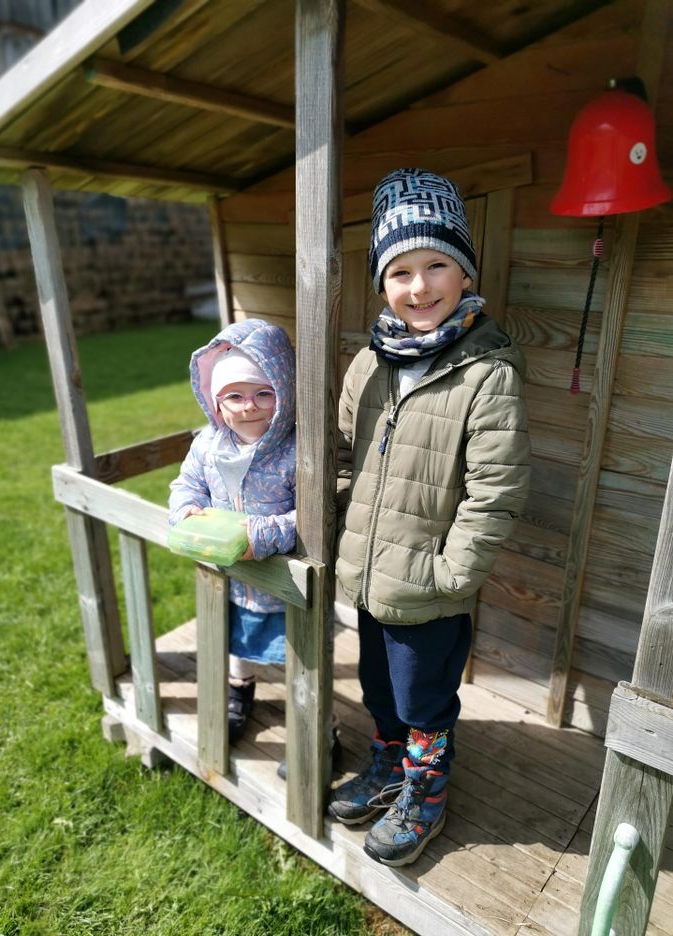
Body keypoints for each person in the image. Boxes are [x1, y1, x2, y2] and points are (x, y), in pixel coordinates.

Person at [328, 168, 531, 867]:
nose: (419, 287)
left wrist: (454, 574)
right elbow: (345, 454)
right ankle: (388, 765)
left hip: (432, 588)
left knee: (424, 698)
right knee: (378, 686)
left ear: (465, 271)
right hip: (369, 577)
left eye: (436, 264)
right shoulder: (369, 365)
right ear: (382, 284)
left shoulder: (486, 372)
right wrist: (344, 527)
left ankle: (425, 786)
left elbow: (496, 488)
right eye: (401, 271)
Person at [169, 318, 296, 742]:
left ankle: (318, 724)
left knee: (301, 660)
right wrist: (187, 508)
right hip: (231, 576)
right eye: (235, 396)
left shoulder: (299, 451)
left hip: (286, 583)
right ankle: (239, 693)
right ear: (216, 402)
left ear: (284, 391)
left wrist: (262, 535)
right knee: (238, 643)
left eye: (264, 393)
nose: (249, 406)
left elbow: (315, 515)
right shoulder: (207, 444)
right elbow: (188, 483)